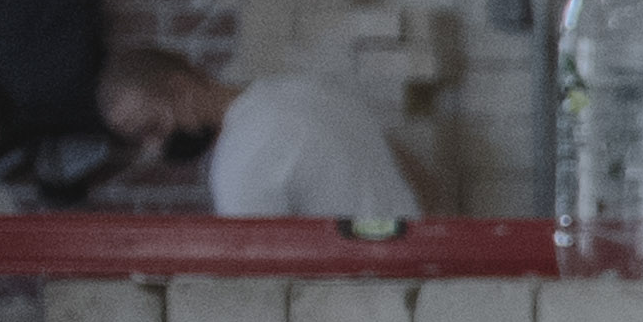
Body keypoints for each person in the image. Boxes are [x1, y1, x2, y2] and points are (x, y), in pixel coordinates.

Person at [92, 44, 420, 222]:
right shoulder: (306, 89)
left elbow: (263, 290)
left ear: (181, 88)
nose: (155, 149)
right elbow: (414, 172)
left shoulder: (241, 162)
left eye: (153, 128)